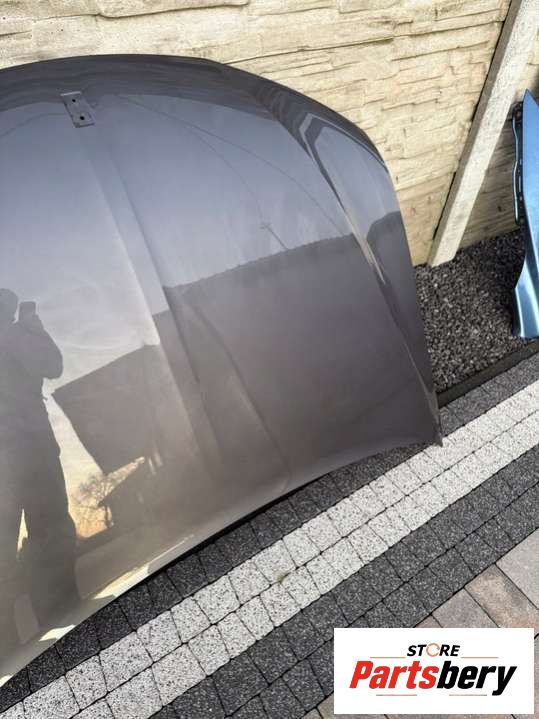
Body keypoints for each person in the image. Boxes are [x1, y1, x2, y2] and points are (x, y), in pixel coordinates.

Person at [0, 289, 78, 651]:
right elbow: (52, 364)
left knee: (42, 538)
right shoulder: (17, 333)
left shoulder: (16, 334)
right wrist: (33, 329)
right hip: (30, 449)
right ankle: (62, 627)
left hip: (29, 450)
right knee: (48, 537)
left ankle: (10, 651)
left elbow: (51, 365)